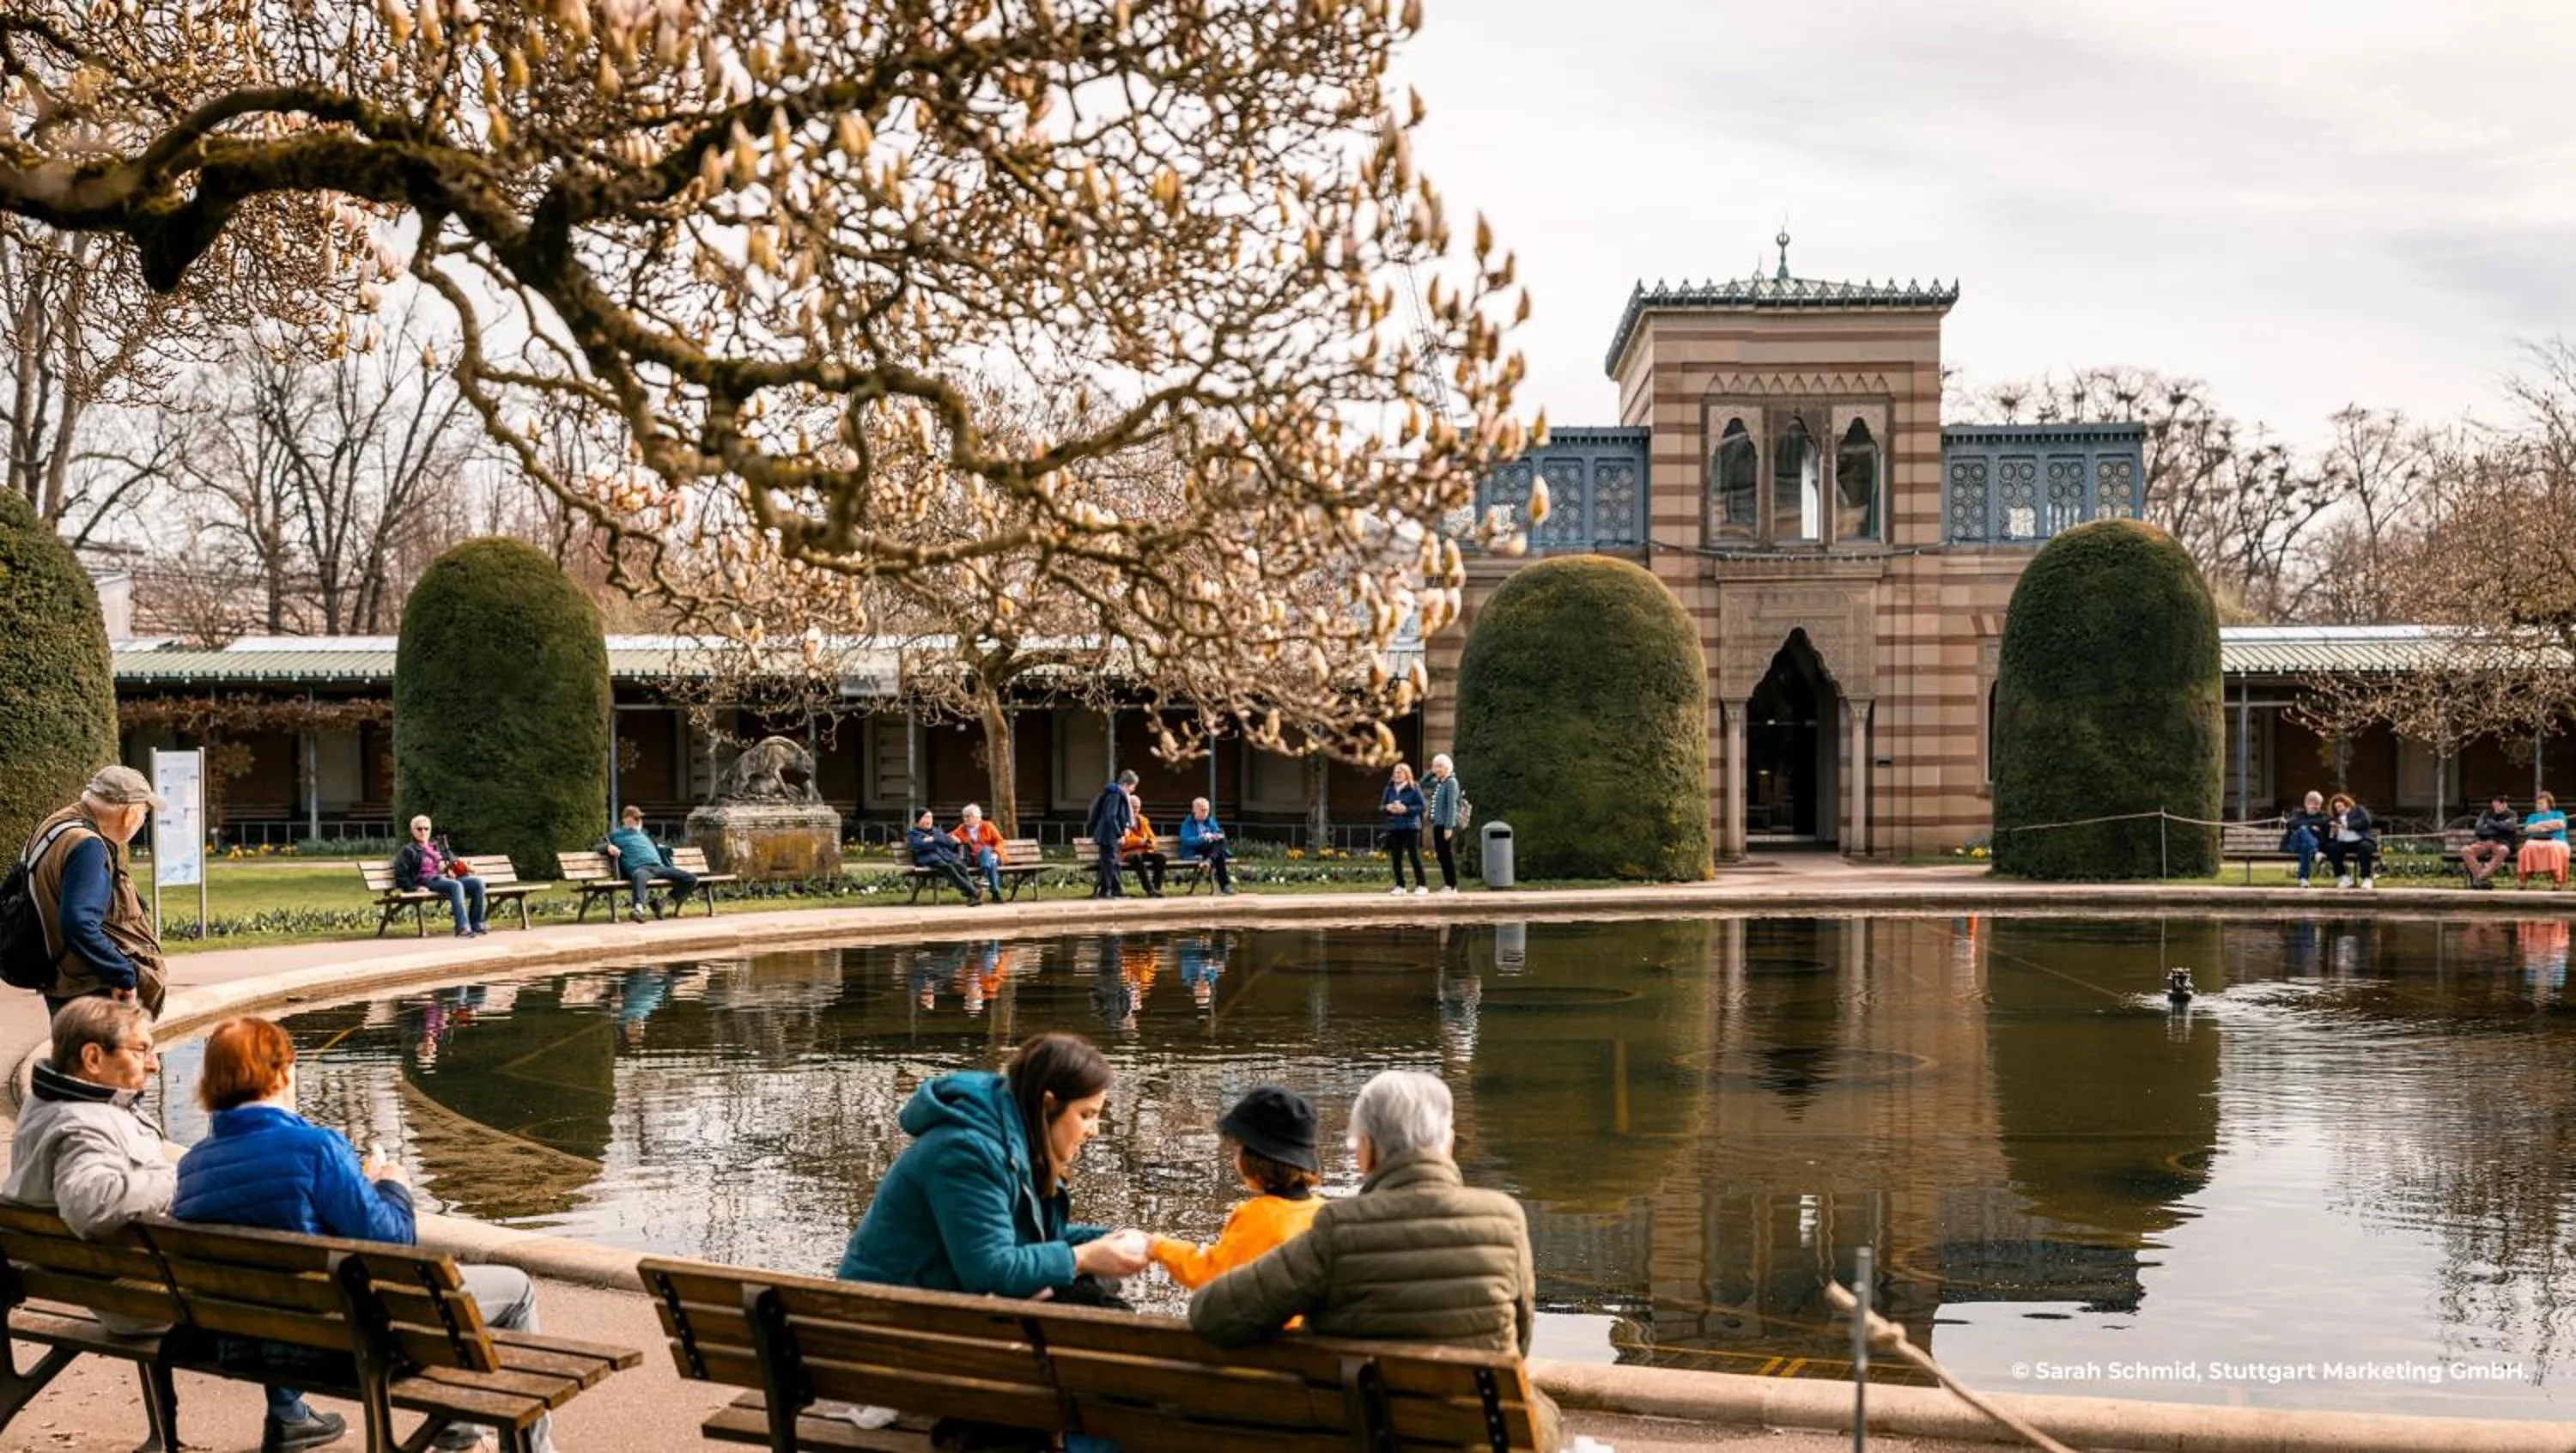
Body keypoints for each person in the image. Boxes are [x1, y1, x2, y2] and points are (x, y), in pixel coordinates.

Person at [175, 1016, 552, 1453]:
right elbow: (393, 1241)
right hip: (350, 1344)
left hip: (247, 1344)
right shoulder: (317, 1148)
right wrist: (394, 1185)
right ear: (280, 1073)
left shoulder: (194, 1165)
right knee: (517, 1289)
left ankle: (460, 1432)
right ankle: (527, 1449)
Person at [1188, 1070, 1560, 1453]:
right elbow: (1521, 1340)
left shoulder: (1338, 1228)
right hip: (1480, 1437)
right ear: (1447, 1142)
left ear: (1366, 1150)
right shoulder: (1505, 1219)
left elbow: (1212, 1314)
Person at [2, 1000, 187, 1451]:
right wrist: (183, 1178)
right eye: (141, 1049)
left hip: (80, 1283)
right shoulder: (81, 1124)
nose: (153, 1062)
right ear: (92, 1058)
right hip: (132, 1302)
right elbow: (92, 1205)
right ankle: (288, 1414)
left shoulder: (47, 1107)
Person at [837, 1031, 1151, 1297]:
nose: (1093, 1131)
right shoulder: (965, 1152)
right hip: (894, 1320)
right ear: (1048, 1105)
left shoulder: (1012, 1140)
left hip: (928, 1311)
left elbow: (1021, 1237)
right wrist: (1081, 1258)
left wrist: (1107, 1240)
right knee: (1086, 1290)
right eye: (1086, 1115)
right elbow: (990, 1270)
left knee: (1090, 1286)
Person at [21, 765, 169, 1019]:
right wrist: (123, 973)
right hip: (91, 989)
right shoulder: (88, 845)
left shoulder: (55, 825)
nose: (143, 821)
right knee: (103, 1058)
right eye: (144, 813)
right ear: (129, 813)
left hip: (63, 982)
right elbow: (78, 923)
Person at [1149, 1086, 1324, 1292]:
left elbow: (1211, 1275)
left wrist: (1159, 1246)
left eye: (1239, 1148)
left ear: (1252, 1159)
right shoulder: (1325, 1212)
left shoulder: (1257, 1216)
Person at [393, 815, 487, 937]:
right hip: (429, 880)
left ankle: (477, 924)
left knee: (477, 883)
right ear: (413, 830)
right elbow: (401, 875)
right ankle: (463, 927)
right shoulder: (409, 850)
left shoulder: (438, 847)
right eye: (419, 829)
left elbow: (453, 861)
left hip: (447, 879)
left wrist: (452, 869)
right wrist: (415, 888)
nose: (423, 832)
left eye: (426, 829)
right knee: (456, 885)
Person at [603, 805, 696, 921]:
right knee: (639, 875)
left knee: (691, 879)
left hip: (659, 867)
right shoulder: (616, 835)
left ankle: (661, 903)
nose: (639, 821)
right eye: (635, 818)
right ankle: (638, 910)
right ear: (626, 819)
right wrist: (608, 847)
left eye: (639, 818)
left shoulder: (643, 835)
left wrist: (662, 849)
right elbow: (598, 846)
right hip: (641, 868)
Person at [905, 808, 983, 904]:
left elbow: (950, 843)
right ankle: (974, 891)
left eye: (931, 817)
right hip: (928, 859)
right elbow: (918, 846)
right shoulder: (913, 833)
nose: (930, 820)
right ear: (919, 819)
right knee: (947, 868)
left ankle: (972, 895)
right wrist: (935, 841)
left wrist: (932, 840)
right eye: (926, 817)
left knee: (960, 866)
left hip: (945, 857)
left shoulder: (936, 831)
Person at [1085, 771, 1138, 899]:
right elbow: (1111, 816)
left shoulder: (1115, 793)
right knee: (1109, 863)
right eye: (1133, 786)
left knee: (1112, 863)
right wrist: (1119, 833)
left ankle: (1115, 890)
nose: (1133, 789)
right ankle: (1106, 892)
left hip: (1109, 834)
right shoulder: (1116, 794)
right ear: (1126, 784)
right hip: (1108, 834)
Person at [1381, 763, 1427, 896]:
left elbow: (1422, 807)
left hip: (1410, 826)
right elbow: (1381, 806)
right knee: (1396, 857)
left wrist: (1406, 809)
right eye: (1395, 773)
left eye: (1399, 773)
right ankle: (1400, 885)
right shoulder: (1389, 788)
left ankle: (1422, 885)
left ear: (1407, 774)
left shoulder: (1414, 787)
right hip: (1394, 827)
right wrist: (1388, 808)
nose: (1396, 775)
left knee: (1414, 856)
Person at [1178, 798, 1236, 896]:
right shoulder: (1187, 823)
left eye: (1207, 810)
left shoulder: (1210, 821)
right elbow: (1186, 841)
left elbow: (1218, 832)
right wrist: (1202, 838)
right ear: (1194, 810)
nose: (1205, 813)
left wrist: (1216, 836)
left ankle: (1208, 861)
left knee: (1221, 842)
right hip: (1196, 850)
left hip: (1210, 849)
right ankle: (1225, 886)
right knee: (1219, 853)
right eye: (1202, 810)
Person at [2464, 793, 2522, 890]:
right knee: (2466, 850)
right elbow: (2479, 829)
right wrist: (2498, 827)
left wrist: (2492, 824)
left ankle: (2479, 878)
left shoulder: (2512, 814)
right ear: (2494, 803)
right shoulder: (2485, 814)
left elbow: (2509, 827)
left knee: (2503, 850)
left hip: (2502, 843)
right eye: (2500, 802)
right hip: (2485, 842)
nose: (2503, 805)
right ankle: (2483, 880)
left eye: (2505, 802)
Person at [951, 803, 1007, 903]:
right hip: (975, 859)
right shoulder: (961, 828)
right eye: (965, 816)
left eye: (969, 816)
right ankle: (995, 892)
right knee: (992, 864)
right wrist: (954, 838)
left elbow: (1000, 841)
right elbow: (950, 836)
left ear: (978, 818)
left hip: (994, 856)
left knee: (986, 850)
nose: (966, 819)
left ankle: (983, 876)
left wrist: (995, 853)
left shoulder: (988, 826)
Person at [1425, 754, 1464, 895]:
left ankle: (1452, 885)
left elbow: (1452, 806)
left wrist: (1449, 827)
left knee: (1446, 855)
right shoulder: (1440, 782)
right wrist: (1432, 772)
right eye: (1435, 767)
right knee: (1441, 855)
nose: (1437, 769)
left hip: (1445, 825)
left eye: (1440, 766)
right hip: (1437, 824)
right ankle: (1448, 884)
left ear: (1447, 767)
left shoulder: (1451, 782)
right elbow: (1423, 783)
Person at [2321, 793, 2376, 890]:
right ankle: (2344, 878)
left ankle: (2367, 878)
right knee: (2332, 848)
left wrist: (2346, 825)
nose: (2339, 809)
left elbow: (2366, 821)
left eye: (2340, 806)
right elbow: (2330, 836)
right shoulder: (2334, 818)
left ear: (2346, 803)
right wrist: (2333, 832)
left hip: (2360, 839)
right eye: (2336, 808)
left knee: (2364, 847)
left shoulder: (2358, 810)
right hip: (2343, 842)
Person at [1120, 791, 1168, 898]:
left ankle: (1156, 888)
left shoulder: (1143, 820)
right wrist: (1139, 841)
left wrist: (1151, 843)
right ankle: (1149, 889)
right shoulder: (1122, 820)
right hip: (1128, 853)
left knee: (1161, 858)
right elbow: (1123, 843)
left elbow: (1152, 837)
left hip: (1144, 850)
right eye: (1133, 807)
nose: (1136, 810)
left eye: (1138, 807)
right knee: (1136, 857)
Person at [2279, 790, 2330, 889]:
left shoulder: (2324, 816)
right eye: (2312, 804)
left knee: (2306, 846)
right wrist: (2311, 827)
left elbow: (2324, 823)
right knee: (2303, 830)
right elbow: (2292, 824)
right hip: (2294, 845)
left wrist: (2305, 823)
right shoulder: (2297, 813)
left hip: (2312, 844)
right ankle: (2316, 853)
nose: (2315, 807)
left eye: (2318, 804)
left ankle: (2303, 879)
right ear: (2306, 804)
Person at [2519, 791, 2570, 886]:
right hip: (2535, 841)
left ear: (2549, 804)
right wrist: (2549, 825)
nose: (2538, 805)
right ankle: (2523, 881)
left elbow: (2560, 824)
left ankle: (2557, 881)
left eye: (2541, 803)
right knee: (2527, 847)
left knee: (2552, 847)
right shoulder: (2533, 816)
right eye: (2538, 803)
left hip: (2557, 841)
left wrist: (2539, 825)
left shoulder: (2558, 813)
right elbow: (2529, 828)